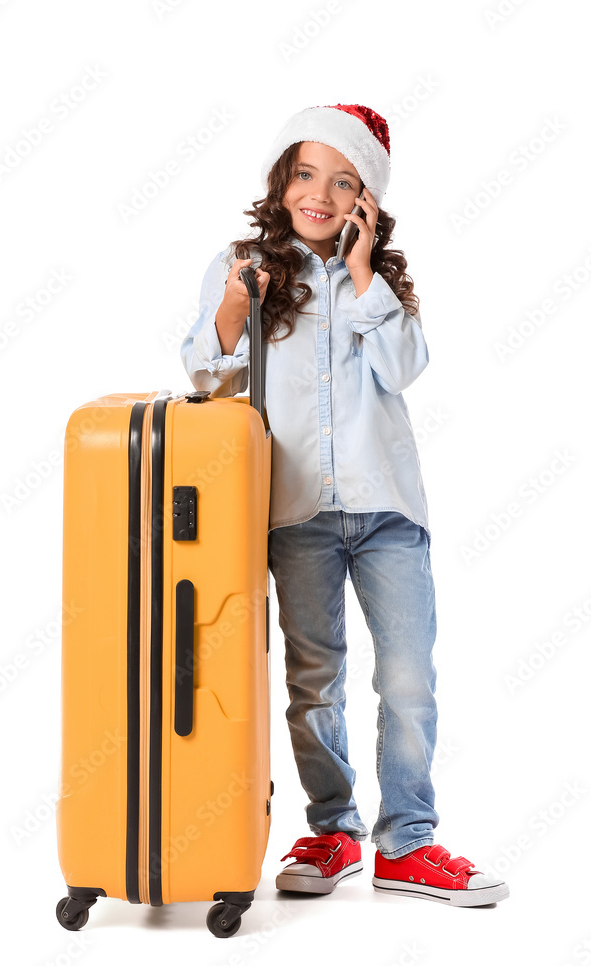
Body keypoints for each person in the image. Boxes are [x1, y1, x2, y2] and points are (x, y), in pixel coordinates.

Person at [180, 103, 508, 907]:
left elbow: (401, 368)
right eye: (305, 173)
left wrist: (363, 276)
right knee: (314, 678)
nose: (318, 194)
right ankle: (333, 830)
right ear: (281, 178)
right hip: (296, 511)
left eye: (343, 181)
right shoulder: (245, 264)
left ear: (365, 201)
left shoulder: (381, 280)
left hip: (389, 510)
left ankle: (408, 842)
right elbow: (203, 377)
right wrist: (232, 305)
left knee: (407, 679)